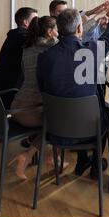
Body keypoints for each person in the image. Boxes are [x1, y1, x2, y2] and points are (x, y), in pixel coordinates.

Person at [36, 1, 109, 179]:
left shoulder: (44, 57)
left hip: (55, 128)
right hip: (88, 128)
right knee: (103, 111)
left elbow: (42, 88)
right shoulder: (90, 52)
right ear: (80, 29)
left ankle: (83, 160)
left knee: (78, 102)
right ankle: (97, 164)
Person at [8, 16, 66, 180]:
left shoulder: (27, 47)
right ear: (49, 32)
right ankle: (33, 155)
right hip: (31, 112)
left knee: (52, 116)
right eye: (56, 29)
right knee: (59, 121)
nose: (58, 32)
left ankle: (48, 155)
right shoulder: (52, 46)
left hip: (16, 106)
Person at [0, 7, 38, 107]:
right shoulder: (22, 38)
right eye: (35, 19)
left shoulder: (16, 35)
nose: (38, 23)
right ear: (26, 22)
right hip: (13, 93)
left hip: (6, 86)